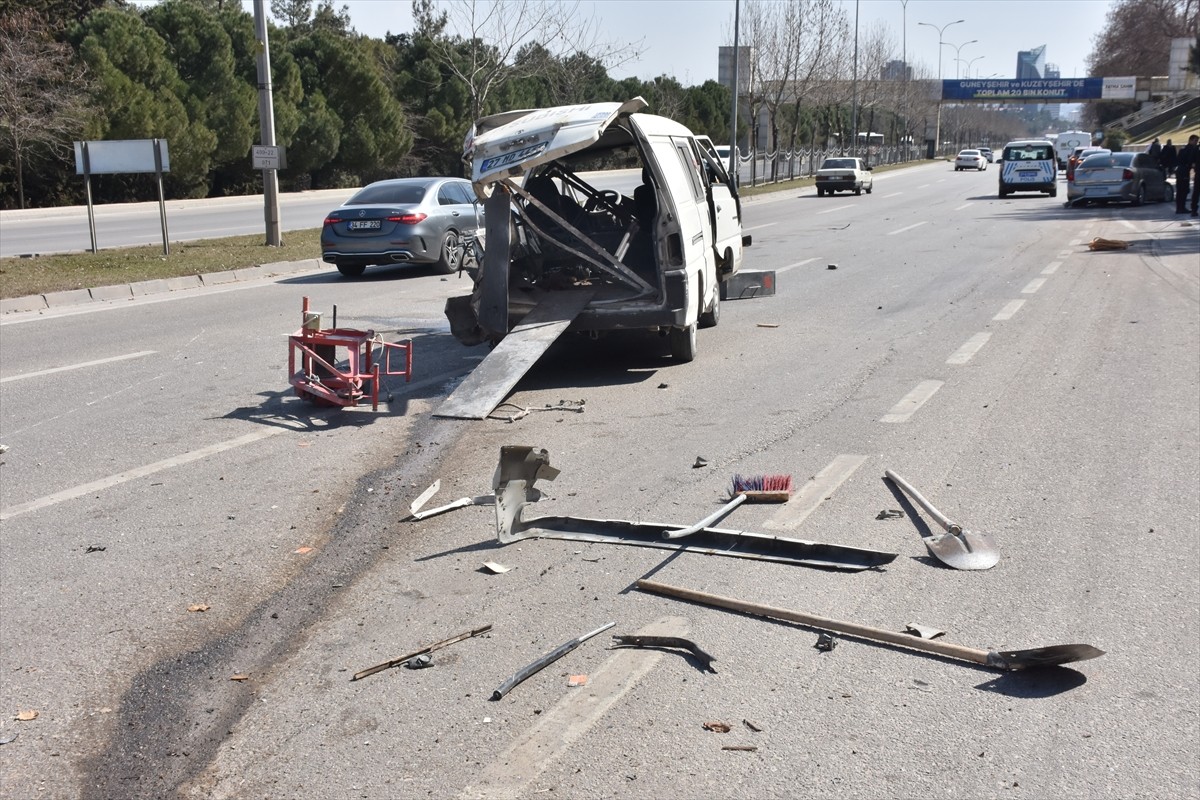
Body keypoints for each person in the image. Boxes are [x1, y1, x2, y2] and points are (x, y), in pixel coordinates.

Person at [1175, 135, 1199, 215]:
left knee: (1180, 190)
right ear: (1191, 140)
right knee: (1184, 190)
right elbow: (1191, 161)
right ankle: (1181, 207)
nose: (1196, 143)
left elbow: (1178, 160)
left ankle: (1179, 208)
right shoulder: (1192, 149)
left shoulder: (1183, 149)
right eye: (1195, 141)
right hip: (1184, 171)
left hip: (1180, 171)